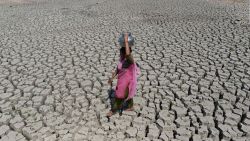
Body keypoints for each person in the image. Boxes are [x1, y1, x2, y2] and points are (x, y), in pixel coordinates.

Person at [107, 33, 140, 117]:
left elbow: (128, 54)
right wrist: (112, 78)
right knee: (127, 95)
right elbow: (118, 70)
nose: (120, 54)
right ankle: (130, 106)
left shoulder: (130, 61)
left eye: (122, 53)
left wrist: (126, 42)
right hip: (122, 81)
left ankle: (113, 110)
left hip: (127, 82)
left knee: (119, 96)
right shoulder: (122, 60)